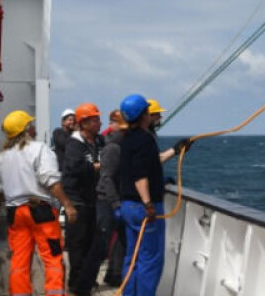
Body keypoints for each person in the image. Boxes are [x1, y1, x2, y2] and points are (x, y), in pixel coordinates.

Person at [0, 110, 78, 296]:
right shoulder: (39, 149)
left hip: (15, 214)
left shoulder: (3, 157)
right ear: (27, 129)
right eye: (31, 125)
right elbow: (51, 181)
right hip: (41, 212)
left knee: (19, 261)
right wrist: (67, 205)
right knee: (53, 258)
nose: (34, 128)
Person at [116, 94, 192, 296]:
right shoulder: (145, 140)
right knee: (150, 260)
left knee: (132, 257)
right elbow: (140, 175)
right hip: (143, 208)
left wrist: (175, 151)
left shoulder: (127, 140)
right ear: (143, 115)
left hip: (128, 206)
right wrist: (148, 204)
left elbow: (144, 166)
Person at [62, 103, 103, 295]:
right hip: (76, 201)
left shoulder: (98, 142)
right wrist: (96, 167)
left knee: (90, 243)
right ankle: (76, 285)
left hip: (92, 199)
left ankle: (86, 281)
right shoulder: (74, 144)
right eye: (95, 120)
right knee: (77, 245)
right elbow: (74, 168)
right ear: (84, 123)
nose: (99, 123)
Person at [95, 109, 127, 287]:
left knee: (118, 241)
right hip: (107, 200)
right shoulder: (113, 148)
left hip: (114, 199)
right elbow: (107, 177)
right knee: (102, 243)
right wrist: (115, 204)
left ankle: (113, 275)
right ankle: (84, 282)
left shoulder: (117, 145)